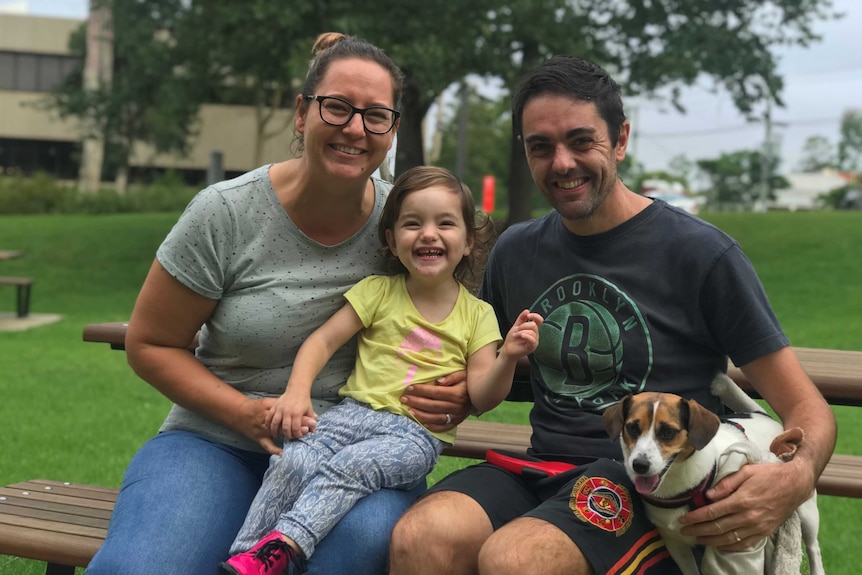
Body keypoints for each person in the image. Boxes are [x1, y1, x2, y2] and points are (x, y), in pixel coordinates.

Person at [388, 55, 837, 575]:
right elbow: (487, 370)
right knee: (421, 538)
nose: (561, 163)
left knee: (515, 560)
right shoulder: (515, 251)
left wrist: (796, 476)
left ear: (620, 139)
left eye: (582, 141)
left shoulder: (700, 254)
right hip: (539, 465)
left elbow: (807, 406)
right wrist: (457, 392)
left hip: (650, 488)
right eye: (541, 147)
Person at [84, 33, 474, 575]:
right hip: (215, 443)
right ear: (301, 113)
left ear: (392, 130)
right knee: (142, 567)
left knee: (348, 552)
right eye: (336, 107)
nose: (355, 128)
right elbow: (150, 343)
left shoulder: (408, 227)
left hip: (353, 452)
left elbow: (462, 321)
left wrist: (467, 389)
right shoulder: (225, 214)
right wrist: (244, 414)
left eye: (375, 115)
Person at [221, 165, 543, 575]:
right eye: (413, 224)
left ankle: (287, 544)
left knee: (350, 466)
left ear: (467, 242)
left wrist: (509, 357)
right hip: (351, 414)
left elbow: (482, 395)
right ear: (392, 241)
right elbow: (321, 341)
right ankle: (246, 557)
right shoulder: (377, 292)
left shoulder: (478, 316)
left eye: (445, 223)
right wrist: (297, 393)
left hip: (413, 434)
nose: (428, 234)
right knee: (293, 460)